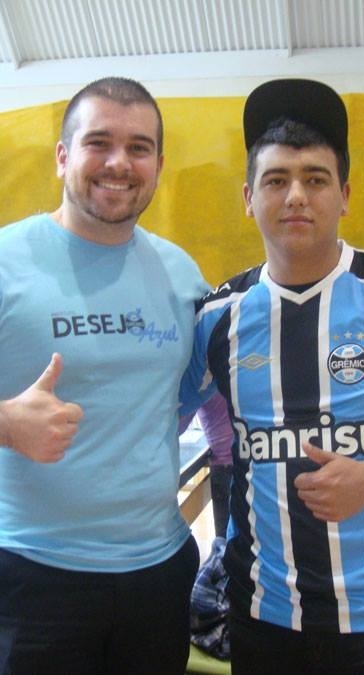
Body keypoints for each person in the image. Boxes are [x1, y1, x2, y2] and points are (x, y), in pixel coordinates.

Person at [179, 79, 364, 674]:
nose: (296, 197)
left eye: (315, 179)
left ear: (345, 195)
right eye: (276, 180)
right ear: (248, 197)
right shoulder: (217, 315)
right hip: (263, 611)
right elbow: (159, 418)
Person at [0, 78, 208, 673]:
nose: (120, 162)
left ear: (159, 165)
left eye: (139, 147)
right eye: (99, 142)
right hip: (34, 575)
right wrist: (8, 423)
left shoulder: (179, 272)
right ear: (63, 155)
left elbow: (193, 395)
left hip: (158, 573)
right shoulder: (8, 261)